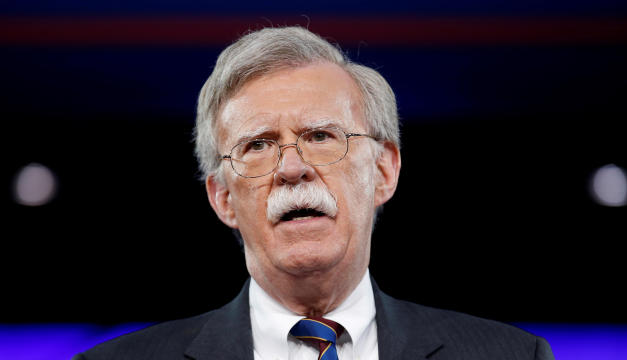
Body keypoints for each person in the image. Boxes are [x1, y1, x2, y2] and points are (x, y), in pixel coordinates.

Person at [74, 26, 554, 360]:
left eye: (321, 137)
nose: (292, 168)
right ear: (221, 198)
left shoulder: (512, 354)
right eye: (258, 145)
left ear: (384, 171)